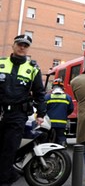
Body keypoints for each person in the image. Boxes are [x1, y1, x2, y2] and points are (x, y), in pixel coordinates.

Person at [0, 34, 46, 186]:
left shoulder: (32, 69)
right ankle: (10, 174)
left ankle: (5, 181)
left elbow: (39, 93)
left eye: (25, 45)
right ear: (13, 45)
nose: (22, 47)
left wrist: (41, 114)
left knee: (9, 149)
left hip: (17, 115)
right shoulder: (1, 63)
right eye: (20, 44)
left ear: (28, 49)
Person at [45, 78, 74, 146]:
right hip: (61, 123)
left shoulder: (48, 97)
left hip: (49, 124)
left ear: (53, 87)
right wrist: (64, 114)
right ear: (62, 87)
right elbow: (70, 109)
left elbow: (43, 109)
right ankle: (61, 153)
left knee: (48, 140)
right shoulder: (67, 97)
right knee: (61, 139)